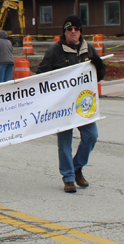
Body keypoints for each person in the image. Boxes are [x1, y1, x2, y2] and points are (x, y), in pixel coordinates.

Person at [36, 15, 106, 193]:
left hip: (84, 103)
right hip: (62, 106)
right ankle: (68, 178)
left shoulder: (88, 49)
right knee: (64, 143)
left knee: (91, 136)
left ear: (80, 31)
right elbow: (41, 75)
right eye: (69, 29)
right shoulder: (55, 50)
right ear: (64, 32)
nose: (73, 32)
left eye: (76, 28)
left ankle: (77, 167)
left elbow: (100, 74)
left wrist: (99, 64)